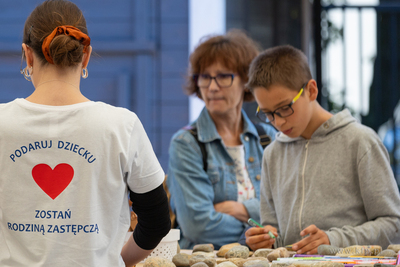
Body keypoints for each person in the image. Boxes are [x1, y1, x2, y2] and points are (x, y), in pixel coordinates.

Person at [0, 1, 170, 266]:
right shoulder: (121, 125)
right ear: (86, 55)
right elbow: (158, 221)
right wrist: (118, 260)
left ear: (28, 55)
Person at [244, 44, 400, 254]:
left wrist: (332, 239)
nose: (278, 122)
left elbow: (393, 225)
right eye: (267, 113)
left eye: (284, 108)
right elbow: (274, 232)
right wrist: (266, 240)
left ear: (311, 90)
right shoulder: (272, 154)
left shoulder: (360, 141)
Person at [166, 29, 277, 250]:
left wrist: (240, 209)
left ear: (246, 80)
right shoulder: (186, 144)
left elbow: (287, 208)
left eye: (224, 76)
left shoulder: (268, 138)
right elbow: (197, 225)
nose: (213, 87)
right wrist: (256, 234)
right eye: (205, 77)